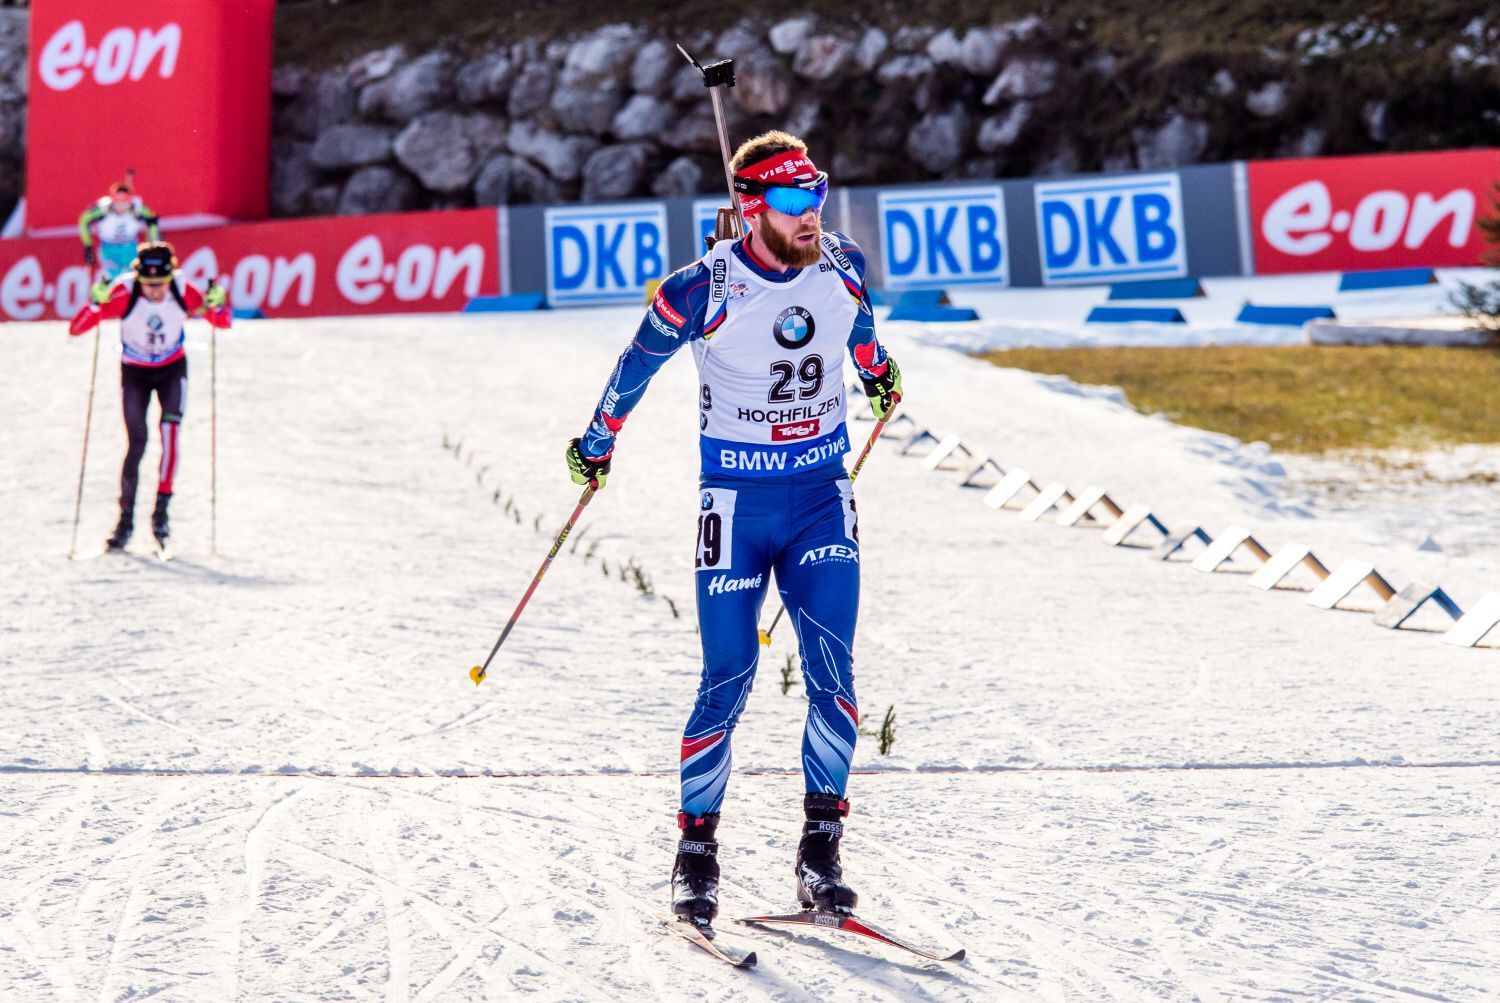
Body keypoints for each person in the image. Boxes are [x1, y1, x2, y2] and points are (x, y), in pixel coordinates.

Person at [565, 131, 902, 930]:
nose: (811, 211)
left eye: (816, 191)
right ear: (752, 208)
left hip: (821, 493)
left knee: (834, 675)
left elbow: (859, 334)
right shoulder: (703, 288)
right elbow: (634, 364)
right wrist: (596, 442)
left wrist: (881, 370)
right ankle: (696, 859)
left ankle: (820, 857)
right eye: (791, 199)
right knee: (727, 678)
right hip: (736, 504)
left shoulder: (842, 265)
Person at [68, 242, 231, 552]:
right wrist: (94, 304)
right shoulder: (122, 292)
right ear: (138, 278)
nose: (156, 290)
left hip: (172, 369)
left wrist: (218, 305)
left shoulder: (183, 288)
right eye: (149, 284)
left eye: (161, 283)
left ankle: (161, 514)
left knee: (171, 435)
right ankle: (125, 519)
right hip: (135, 373)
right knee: (137, 443)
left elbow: (221, 322)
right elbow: (77, 329)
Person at [78, 180, 160, 295]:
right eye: (118, 201)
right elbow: (84, 220)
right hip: (109, 249)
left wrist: (153, 245)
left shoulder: (138, 209)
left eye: (124, 201)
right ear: (112, 199)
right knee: (112, 277)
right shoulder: (103, 209)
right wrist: (88, 246)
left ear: (130, 200)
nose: (121, 205)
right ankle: (100, 302)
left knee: (137, 277)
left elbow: (152, 222)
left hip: (130, 248)